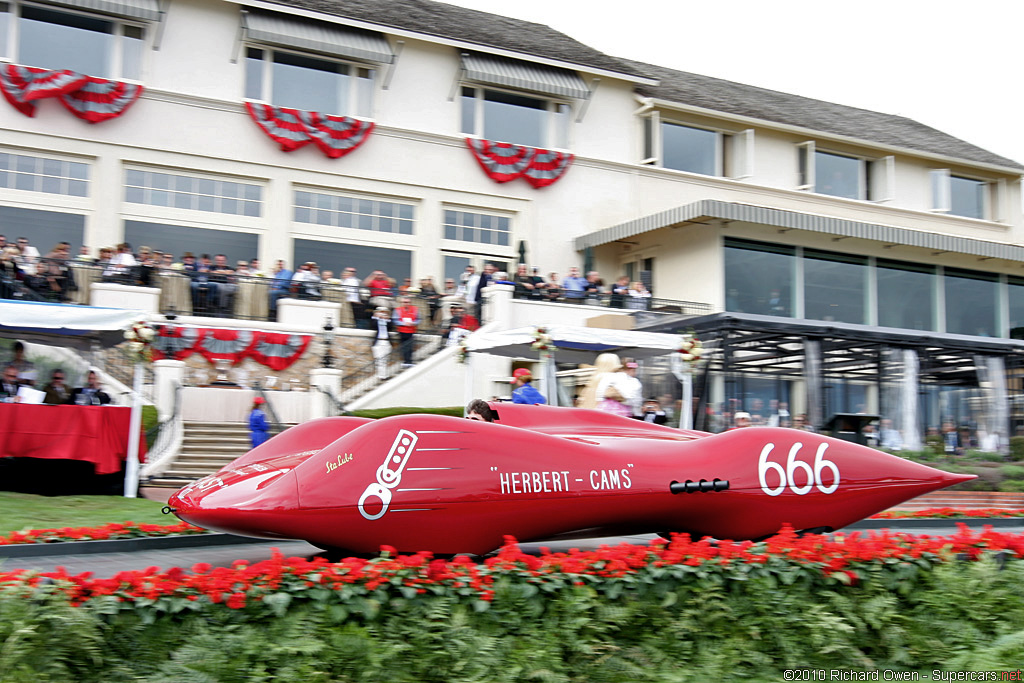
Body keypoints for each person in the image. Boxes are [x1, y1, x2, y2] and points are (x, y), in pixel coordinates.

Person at [393, 295, 419, 367]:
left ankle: (409, 360)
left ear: (410, 302)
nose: (406, 304)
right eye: (404, 302)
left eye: (407, 302)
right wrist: (403, 323)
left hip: (411, 330)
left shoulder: (415, 309)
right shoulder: (398, 310)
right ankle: (405, 360)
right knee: (404, 346)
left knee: (410, 347)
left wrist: (413, 323)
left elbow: (418, 319)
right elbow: (395, 320)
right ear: (401, 303)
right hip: (402, 330)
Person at [371, 305, 393, 380]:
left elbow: (391, 326)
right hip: (379, 341)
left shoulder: (387, 321)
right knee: (379, 359)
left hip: (386, 341)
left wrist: (387, 319)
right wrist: (377, 317)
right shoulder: (375, 320)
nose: (382, 313)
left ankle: (385, 375)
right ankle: (380, 375)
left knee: (385, 360)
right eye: (381, 312)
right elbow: (372, 325)